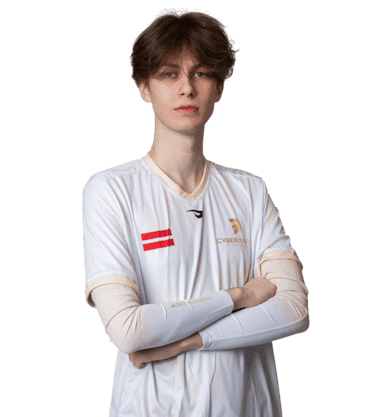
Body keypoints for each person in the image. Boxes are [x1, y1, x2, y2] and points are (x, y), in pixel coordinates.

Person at [82, 8, 310, 417]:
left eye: (201, 73)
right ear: (143, 87)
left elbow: (293, 310)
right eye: (169, 74)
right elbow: (129, 330)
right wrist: (239, 297)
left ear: (219, 88)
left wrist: (185, 342)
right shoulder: (111, 190)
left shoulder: (250, 190)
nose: (187, 88)